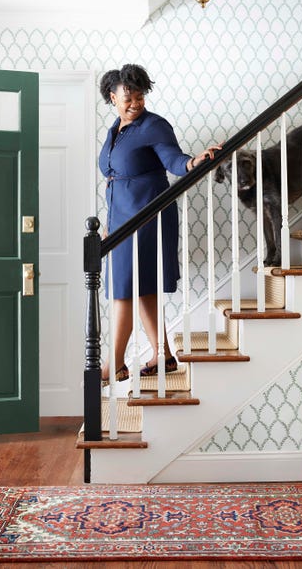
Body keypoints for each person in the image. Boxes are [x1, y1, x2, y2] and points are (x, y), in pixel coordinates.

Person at [99, 63, 222, 384]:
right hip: (122, 219)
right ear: (113, 97)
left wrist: (195, 162)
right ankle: (163, 353)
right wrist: (110, 222)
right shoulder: (116, 129)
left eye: (140, 95)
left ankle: (115, 363)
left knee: (123, 290)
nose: (135, 102)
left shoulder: (154, 126)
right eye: (128, 96)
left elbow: (174, 161)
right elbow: (116, 179)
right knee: (140, 287)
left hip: (148, 215)